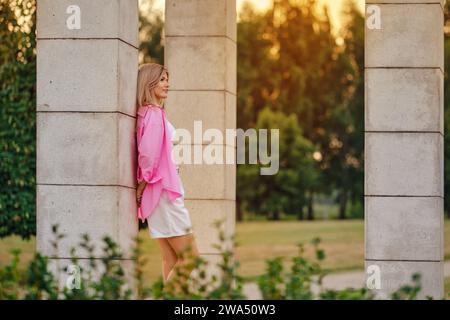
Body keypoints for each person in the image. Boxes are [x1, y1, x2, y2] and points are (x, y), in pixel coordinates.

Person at [135, 63, 199, 292]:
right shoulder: (153, 114)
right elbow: (148, 156)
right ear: (149, 83)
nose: (167, 84)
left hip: (158, 194)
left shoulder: (147, 113)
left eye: (167, 79)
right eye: (162, 79)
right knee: (190, 257)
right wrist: (141, 187)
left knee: (170, 259)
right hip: (163, 193)